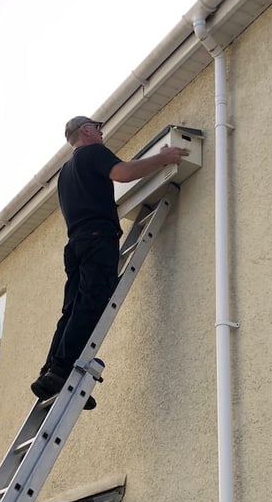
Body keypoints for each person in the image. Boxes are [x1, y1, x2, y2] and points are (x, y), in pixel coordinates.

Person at [31, 116, 190, 408]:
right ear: (86, 131)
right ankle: (63, 370)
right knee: (92, 303)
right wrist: (162, 157)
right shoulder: (93, 152)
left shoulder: (65, 174)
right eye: (98, 128)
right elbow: (124, 173)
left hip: (76, 243)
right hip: (96, 238)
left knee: (71, 310)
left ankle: (51, 372)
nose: (102, 133)